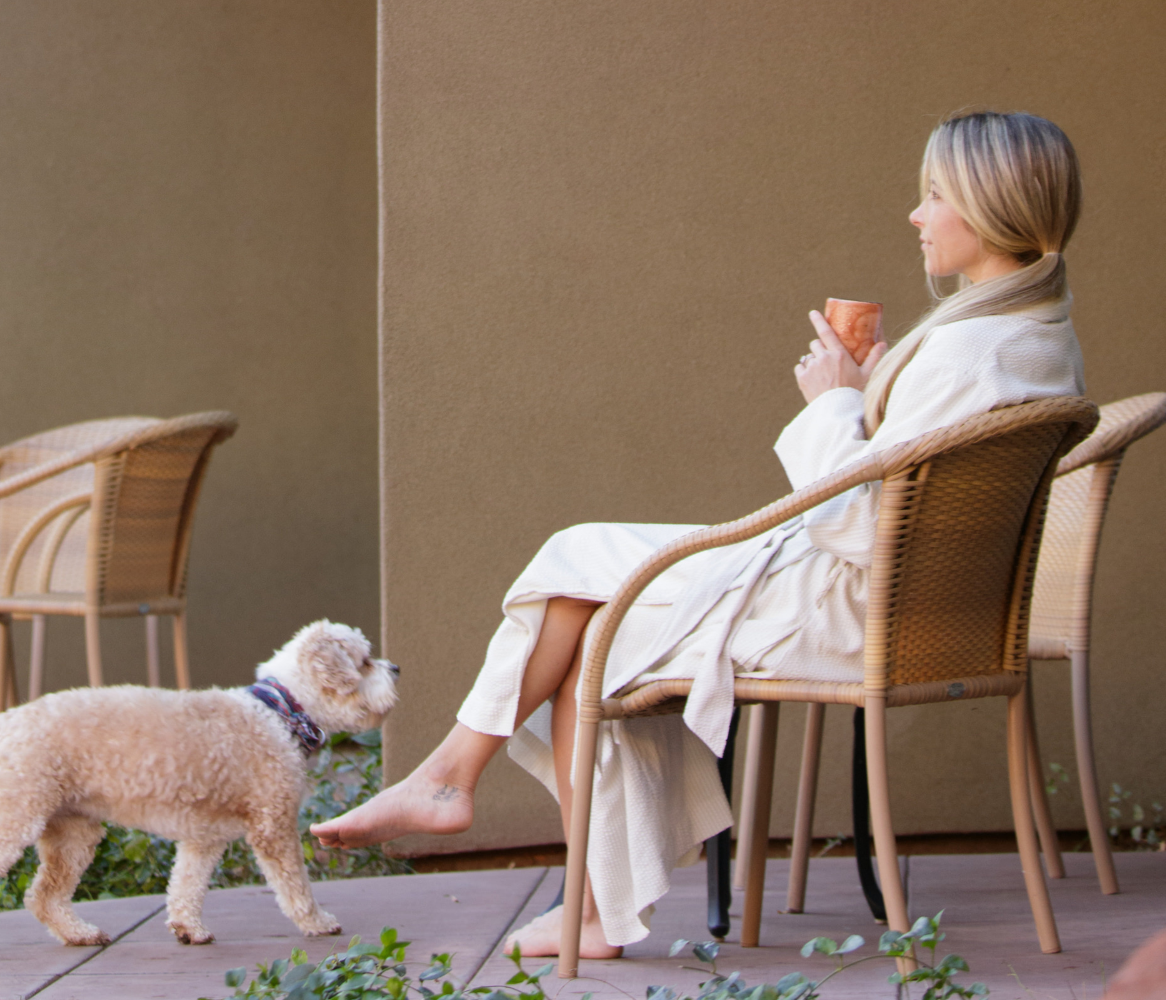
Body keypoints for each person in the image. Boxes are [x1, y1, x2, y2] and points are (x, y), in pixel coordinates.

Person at [310, 111, 1085, 958]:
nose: (916, 213)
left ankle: (525, 848)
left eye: (933, 193)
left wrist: (831, 399)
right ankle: (467, 795)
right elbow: (905, 494)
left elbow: (863, 526)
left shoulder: (971, 352)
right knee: (574, 572)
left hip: (845, 611)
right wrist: (868, 393)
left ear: (986, 206)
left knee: (584, 616)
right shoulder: (1033, 335)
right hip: (894, 607)